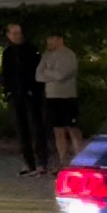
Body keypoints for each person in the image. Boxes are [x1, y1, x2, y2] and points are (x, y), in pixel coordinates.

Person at [0, 24, 50, 176]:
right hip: (16, 94)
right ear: (9, 35)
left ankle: (42, 162)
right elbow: (6, 73)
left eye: (19, 33)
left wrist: (34, 89)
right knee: (22, 129)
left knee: (37, 127)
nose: (17, 36)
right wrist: (8, 91)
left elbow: (37, 71)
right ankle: (29, 162)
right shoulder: (8, 53)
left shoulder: (31, 50)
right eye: (14, 33)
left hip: (31, 94)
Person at [36, 33, 82, 168]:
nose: (49, 43)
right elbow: (38, 75)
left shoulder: (69, 55)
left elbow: (62, 75)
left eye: (52, 40)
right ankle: (63, 160)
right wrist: (52, 73)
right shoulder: (46, 55)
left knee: (72, 128)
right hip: (52, 97)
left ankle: (81, 158)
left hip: (67, 97)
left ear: (60, 40)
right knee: (58, 130)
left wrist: (48, 72)